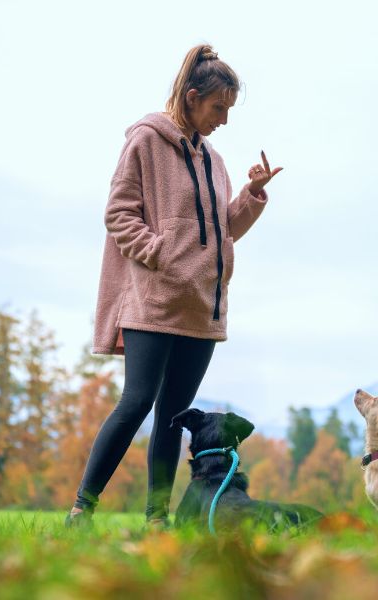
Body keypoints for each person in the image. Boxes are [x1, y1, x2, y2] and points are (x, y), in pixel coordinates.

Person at [72, 44, 283, 528]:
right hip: (154, 300)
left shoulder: (215, 160)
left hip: (201, 307)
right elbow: (119, 215)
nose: (224, 120)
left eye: (229, 110)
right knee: (137, 402)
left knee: (173, 415)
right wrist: (162, 256)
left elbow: (222, 229)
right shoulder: (146, 141)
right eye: (218, 108)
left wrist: (251, 195)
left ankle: (156, 519)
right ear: (191, 97)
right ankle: (82, 508)